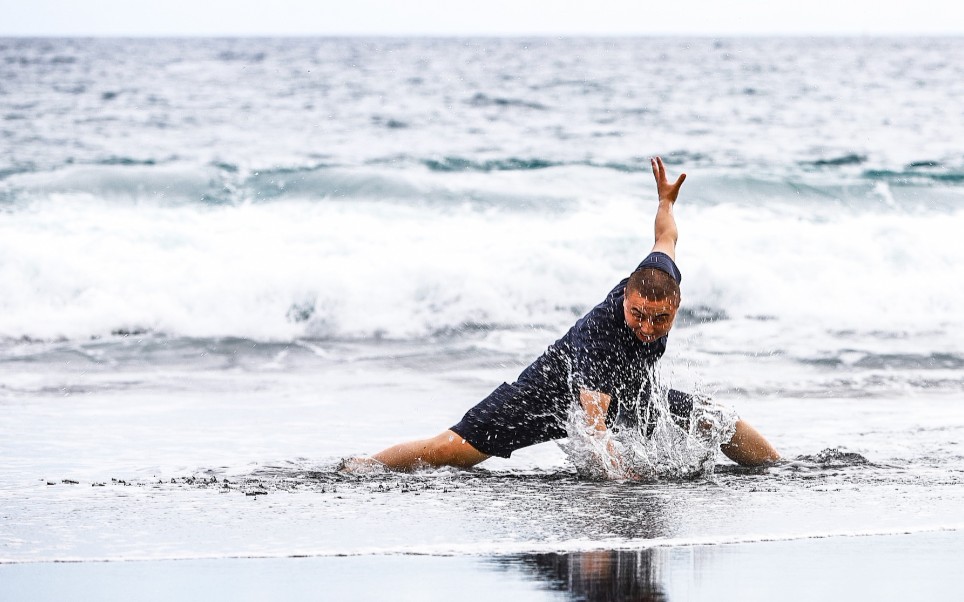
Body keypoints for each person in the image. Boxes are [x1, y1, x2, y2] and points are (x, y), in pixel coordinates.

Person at [351, 157, 779, 473]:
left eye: (659, 319)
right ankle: (360, 469)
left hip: (624, 395)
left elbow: (665, 236)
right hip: (544, 396)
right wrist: (624, 481)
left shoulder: (660, 273)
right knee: (450, 452)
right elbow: (593, 427)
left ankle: (780, 471)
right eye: (637, 316)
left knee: (715, 419)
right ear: (625, 297)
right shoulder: (603, 339)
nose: (647, 328)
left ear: (676, 303)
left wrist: (665, 202)